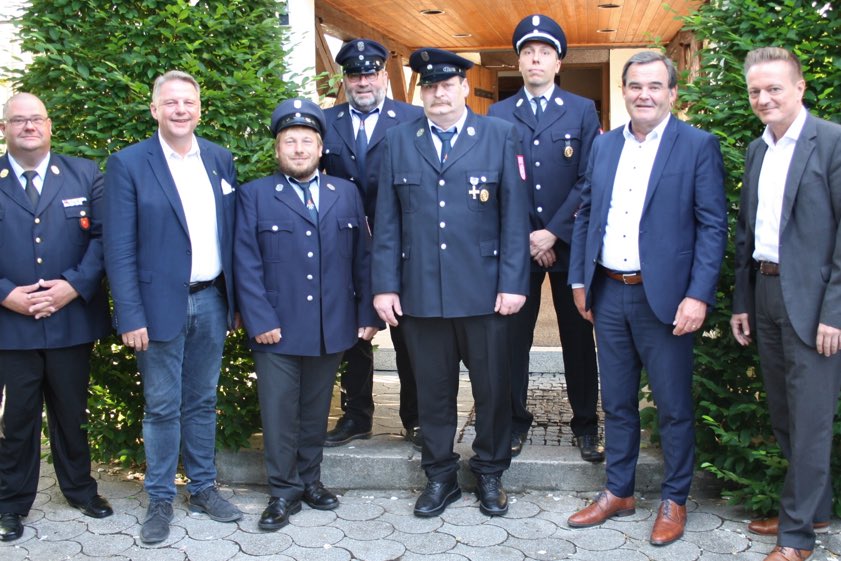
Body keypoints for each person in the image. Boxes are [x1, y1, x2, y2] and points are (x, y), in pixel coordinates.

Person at [566, 51, 727, 545]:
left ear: (672, 92)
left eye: (655, 86)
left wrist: (698, 296)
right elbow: (587, 213)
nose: (644, 95)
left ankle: (674, 500)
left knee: (673, 407)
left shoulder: (697, 145)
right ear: (624, 91)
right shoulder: (604, 145)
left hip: (667, 300)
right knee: (616, 402)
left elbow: (712, 226)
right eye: (635, 86)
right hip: (608, 292)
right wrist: (579, 280)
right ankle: (619, 491)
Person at [372, 47, 530, 518]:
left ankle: (490, 472)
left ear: (464, 88)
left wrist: (513, 282)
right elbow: (387, 221)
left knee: (493, 390)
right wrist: (385, 285)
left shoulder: (499, 135)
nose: (438, 93)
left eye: (447, 85)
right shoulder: (399, 140)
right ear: (421, 93)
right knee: (432, 391)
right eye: (430, 86)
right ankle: (440, 475)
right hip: (421, 292)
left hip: (484, 292)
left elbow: (514, 217)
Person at [103, 70, 241, 544]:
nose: (181, 110)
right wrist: (130, 314)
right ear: (155, 109)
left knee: (202, 401)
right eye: (171, 102)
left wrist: (237, 302)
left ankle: (202, 489)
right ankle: (160, 499)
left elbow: (232, 234)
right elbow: (118, 247)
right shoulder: (128, 163)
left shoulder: (220, 159)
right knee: (162, 407)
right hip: (158, 306)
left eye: (189, 102)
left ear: (200, 109)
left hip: (212, 300)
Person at [234, 98, 381, 531]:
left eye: (306, 141)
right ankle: (283, 491)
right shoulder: (255, 194)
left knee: (316, 411)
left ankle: (310, 481)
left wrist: (366, 313)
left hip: (330, 325)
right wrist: (259, 320)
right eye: (289, 141)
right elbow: (245, 262)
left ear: (320, 148)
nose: (298, 149)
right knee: (280, 413)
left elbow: (362, 258)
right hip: (276, 327)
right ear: (277, 149)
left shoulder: (345, 193)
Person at [731, 47, 841, 561]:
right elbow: (746, 232)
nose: (764, 98)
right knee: (784, 414)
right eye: (755, 90)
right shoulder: (759, 150)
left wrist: (834, 313)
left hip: (815, 302)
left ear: (800, 88)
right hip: (767, 292)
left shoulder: (832, 142)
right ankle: (813, 509)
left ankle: (796, 538)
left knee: (812, 420)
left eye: (774, 88)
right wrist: (742, 301)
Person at [488, 14, 602, 461]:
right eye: (528, 53)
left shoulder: (581, 109)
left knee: (578, 337)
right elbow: (499, 182)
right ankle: (515, 420)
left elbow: (589, 179)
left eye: (545, 53)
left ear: (558, 63)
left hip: (570, 244)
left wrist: (553, 231)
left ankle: (586, 424)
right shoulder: (499, 114)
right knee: (512, 339)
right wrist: (530, 237)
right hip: (519, 247)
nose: (536, 59)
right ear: (518, 62)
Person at [0, 93, 113, 542]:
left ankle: (81, 490)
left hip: (71, 320)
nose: (28, 126)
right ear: (4, 129)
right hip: (10, 325)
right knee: (17, 420)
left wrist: (72, 286)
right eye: (18, 120)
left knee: (71, 412)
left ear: (49, 126)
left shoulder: (85, 174)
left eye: (36, 119)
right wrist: (6, 295)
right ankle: (11, 504)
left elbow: (104, 238)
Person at [321, 38, 424, 449]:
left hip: (401, 244)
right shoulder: (325, 122)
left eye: (369, 74)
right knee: (354, 336)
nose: (362, 82)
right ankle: (356, 415)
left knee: (408, 333)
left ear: (383, 75)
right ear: (344, 80)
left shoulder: (412, 118)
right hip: (345, 246)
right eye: (354, 75)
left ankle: (415, 418)